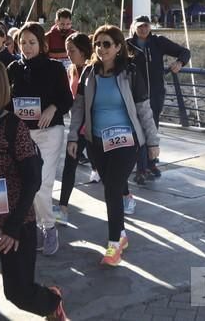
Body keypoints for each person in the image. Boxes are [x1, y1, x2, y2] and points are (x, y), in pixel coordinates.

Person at [0, 58, 66, 320]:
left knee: (18, 293)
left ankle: (52, 303)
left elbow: (32, 180)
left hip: (14, 223)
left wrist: (13, 227)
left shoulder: (13, 127)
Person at [67, 25, 159, 266]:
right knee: (112, 188)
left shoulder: (130, 72)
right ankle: (122, 234)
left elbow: (144, 110)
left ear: (119, 47)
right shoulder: (89, 72)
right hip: (96, 142)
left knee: (112, 188)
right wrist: (73, 138)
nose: (101, 48)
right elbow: (78, 109)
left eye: (107, 44)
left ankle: (114, 245)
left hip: (126, 142)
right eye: (98, 43)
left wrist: (153, 143)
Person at [8, 22, 73, 256]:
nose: (26, 47)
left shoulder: (55, 68)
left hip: (49, 133)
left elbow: (67, 99)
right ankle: (35, 225)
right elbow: (6, 102)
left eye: (31, 42)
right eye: (22, 42)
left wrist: (52, 108)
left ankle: (49, 227)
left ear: (42, 44)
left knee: (41, 183)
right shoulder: (13, 68)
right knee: (27, 183)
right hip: (22, 134)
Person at [127, 15, 190, 181]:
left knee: (152, 128)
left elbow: (184, 52)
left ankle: (151, 162)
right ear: (133, 27)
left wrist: (179, 63)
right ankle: (141, 168)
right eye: (140, 26)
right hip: (134, 94)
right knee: (139, 130)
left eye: (146, 26)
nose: (143, 29)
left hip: (155, 93)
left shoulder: (158, 41)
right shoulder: (127, 44)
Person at [53, 32, 99, 225]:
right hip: (78, 125)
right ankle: (63, 208)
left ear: (83, 50)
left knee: (106, 166)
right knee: (70, 166)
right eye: (66, 51)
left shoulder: (96, 70)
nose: (68, 54)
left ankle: (125, 195)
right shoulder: (72, 70)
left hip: (97, 127)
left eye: (71, 51)